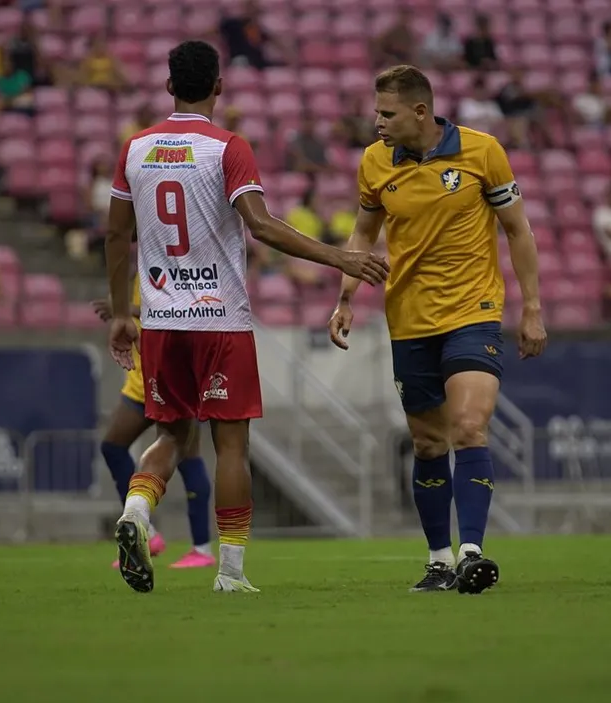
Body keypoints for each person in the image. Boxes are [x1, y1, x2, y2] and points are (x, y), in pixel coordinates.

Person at [104, 41, 387, 594]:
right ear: (219, 87)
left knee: (172, 434)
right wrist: (339, 256)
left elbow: (116, 235)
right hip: (220, 321)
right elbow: (259, 225)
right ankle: (230, 573)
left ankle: (136, 511)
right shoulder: (228, 147)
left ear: (168, 88)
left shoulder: (135, 148)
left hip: (161, 321)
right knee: (231, 446)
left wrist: (120, 313)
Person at [328, 65, 546, 594]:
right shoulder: (375, 163)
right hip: (408, 321)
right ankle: (439, 560)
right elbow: (363, 231)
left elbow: (517, 228)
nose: (376, 121)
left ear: (420, 112)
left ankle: (472, 552)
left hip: (473, 311)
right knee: (427, 444)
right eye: (376, 111)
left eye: (387, 113)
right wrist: (345, 298)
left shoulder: (482, 151)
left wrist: (533, 307)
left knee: (469, 425)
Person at [90, 271, 217, 571]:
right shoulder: (139, 268)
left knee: (187, 455)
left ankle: (201, 548)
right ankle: (146, 529)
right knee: (113, 447)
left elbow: (180, 309)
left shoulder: (175, 263)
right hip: (139, 380)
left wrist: (123, 310)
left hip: (174, 376)